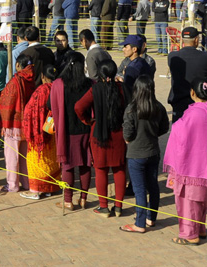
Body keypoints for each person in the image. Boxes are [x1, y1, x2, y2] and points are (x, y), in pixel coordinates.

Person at [163, 80, 207, 245]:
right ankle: (200, 229)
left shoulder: (195, 113)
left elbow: (179, 130)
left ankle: (189, 234)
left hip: (191, 161)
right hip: (206, 157)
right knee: (200, 197)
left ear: (193, 93)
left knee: (188, 198)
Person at [76, 59, 127, 217]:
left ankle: (103, 207)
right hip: (119, 133)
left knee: (101, 169)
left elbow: (78, 107)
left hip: (99, 133)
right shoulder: (122, 88)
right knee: (119, 169)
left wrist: (88, 121)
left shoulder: (95, 89)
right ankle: (118, 207)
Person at [120, 74, 170, 233]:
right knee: (153, 186)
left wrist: (128, 139)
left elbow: (127, 131)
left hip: (136, 154)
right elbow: (164, 128)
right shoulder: (158, 107)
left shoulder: (132, 108)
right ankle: (151, 218)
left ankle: (140, 223)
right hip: (153, 152)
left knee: (140, 189)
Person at [51, 51, 93, 210]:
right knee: (85, 165)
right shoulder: (90, 83)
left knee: (67, 165)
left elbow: (51, 106)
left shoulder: (58, 84)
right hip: (86, 129)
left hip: (66, 131)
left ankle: (67, 200)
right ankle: (83, 199)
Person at [20, 66, 61, 200]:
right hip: (53, 131)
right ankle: (49, 188)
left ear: (43, 77)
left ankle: (36, 190)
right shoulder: (59, 88)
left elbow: (31, 111)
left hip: (38, 133)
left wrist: (30, 129)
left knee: (36, 160)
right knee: (52, 160)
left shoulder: (42, 90)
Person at [0, 54, 38, 192]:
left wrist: (4, 123)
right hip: (26, 124)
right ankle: (27, 183)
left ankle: (13, 184)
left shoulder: (15, 82)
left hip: (13, 125)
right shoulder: (32, 80)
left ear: (17, 65)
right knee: (24, 157)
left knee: (11, 157)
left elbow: (6, 102)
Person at [168, 27, 207, 121]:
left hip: (179, 101)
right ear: (196, 39)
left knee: (180, 133)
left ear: (182, 40)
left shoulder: (173, 56)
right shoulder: (206, 57)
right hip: (200, 101)